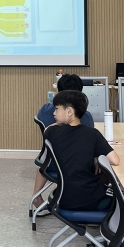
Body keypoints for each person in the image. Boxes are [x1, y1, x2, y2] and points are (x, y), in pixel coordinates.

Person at [43, 90, 120, 211]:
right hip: (90, 199)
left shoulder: (52, 132)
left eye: (57, 109)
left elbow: (46, 129)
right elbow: (115, 160)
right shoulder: (92, 134)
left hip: (65, 198)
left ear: (69, 112)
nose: (54, 113)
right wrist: (98, 158)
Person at [31, 74, 94, 210]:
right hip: (78, 166)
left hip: (51, 164)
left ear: (58, 92)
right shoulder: (86, 116)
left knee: (45, 159)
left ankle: (36, 195)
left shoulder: (46, 111)